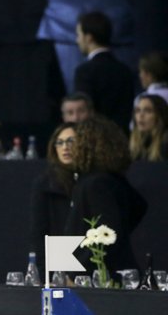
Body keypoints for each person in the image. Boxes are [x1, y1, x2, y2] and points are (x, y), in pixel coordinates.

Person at [64, 116, 147, 276]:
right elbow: (140, 205)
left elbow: (108, 231)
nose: (70, 147)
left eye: (74, 141)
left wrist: (75, 274)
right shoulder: (111, 179)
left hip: (103, 277)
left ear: (87, 145)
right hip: (113, 272)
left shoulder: (96, 183)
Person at [73, 11, 134, 133]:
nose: (77, 40)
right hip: (122, 138)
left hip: (96, 139)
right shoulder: (125, 71)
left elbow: (83, 113)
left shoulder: (85, 71)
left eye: (78, 35)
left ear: (89, 38)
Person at [29, 122, 77, 273]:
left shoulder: (93, 180)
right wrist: (44, 272)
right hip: (58, 262)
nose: (65, 147)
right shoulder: (45, 183)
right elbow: (39, 232)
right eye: (60, 142)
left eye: (71, 141)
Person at [130, 94, 168, 161]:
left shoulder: (165, 144)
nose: (141, 115)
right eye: (138, 110)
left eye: (148, 111)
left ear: (160, 116)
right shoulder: (136, 145)